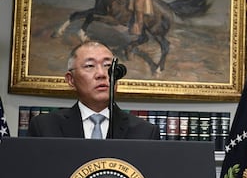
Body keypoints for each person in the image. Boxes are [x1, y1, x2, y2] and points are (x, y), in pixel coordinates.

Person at [27, 40, 159, 140]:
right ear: (70, 80)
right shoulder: (45, 128)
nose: (101, 74)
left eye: (108, 65)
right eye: (90, 66)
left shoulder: (145, 132)